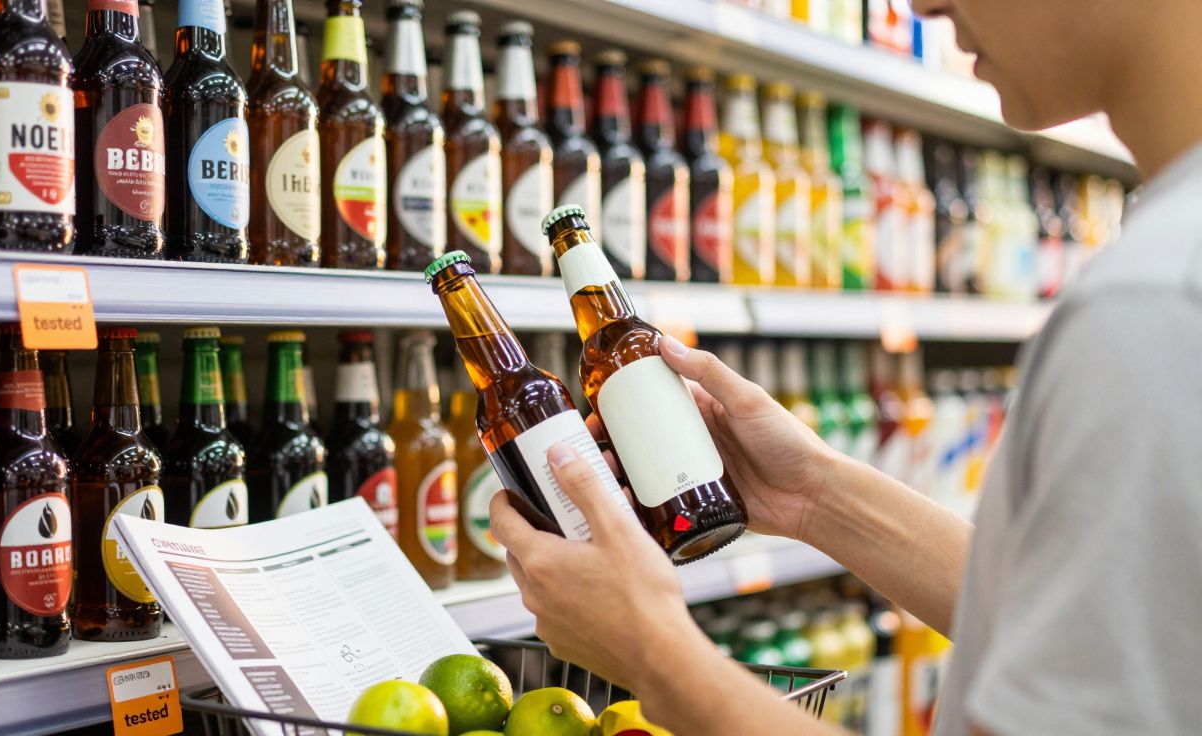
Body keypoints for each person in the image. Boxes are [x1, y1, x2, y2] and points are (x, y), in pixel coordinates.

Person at [489, 1, 1202, 733]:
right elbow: (1087, 628)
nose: (921, 5)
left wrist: (652, 652)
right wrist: (813, 495)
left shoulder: (1157, 300)